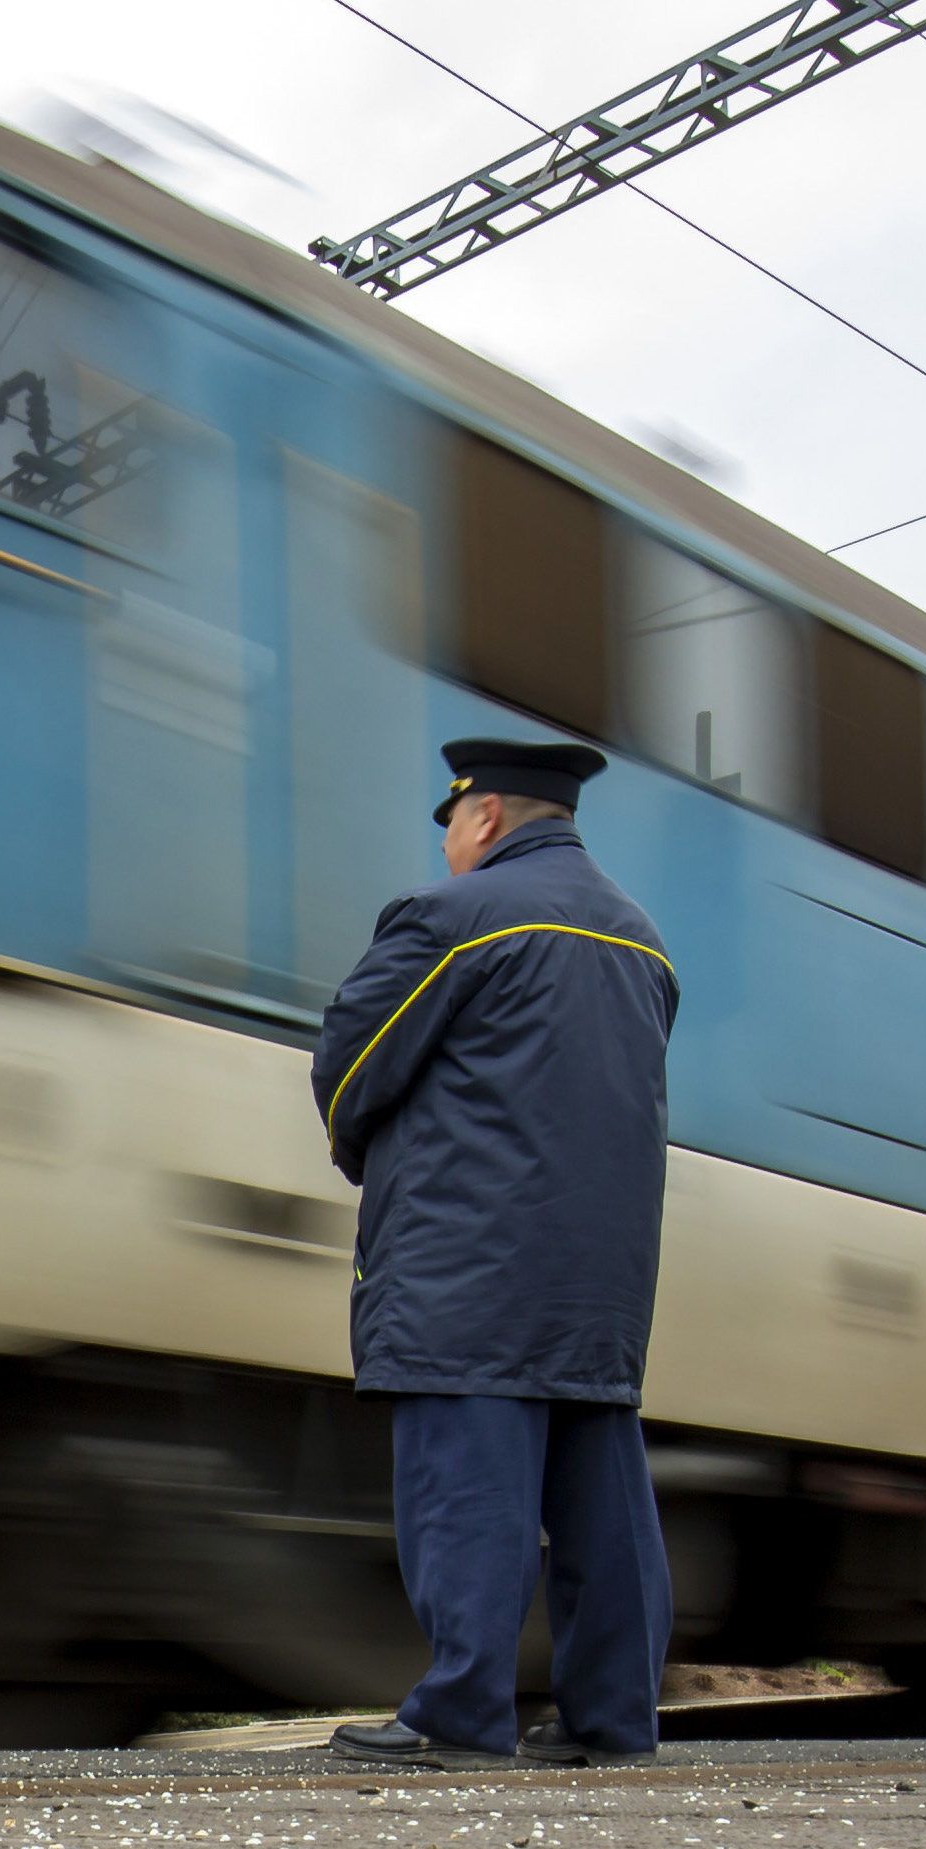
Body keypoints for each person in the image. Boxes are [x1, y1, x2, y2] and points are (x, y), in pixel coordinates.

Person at [307, 738, 679, 1769]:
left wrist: (362, 1154)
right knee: (599, 1482)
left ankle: (459, 1712)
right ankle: (613, 1719)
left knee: (466, 1477)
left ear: (482, 819)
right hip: (601, 1265)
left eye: (453, 828)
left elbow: (350, 1058)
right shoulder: (641, 940)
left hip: (468, 1251)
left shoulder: (452, 917)